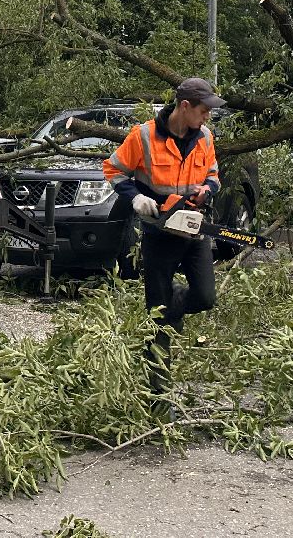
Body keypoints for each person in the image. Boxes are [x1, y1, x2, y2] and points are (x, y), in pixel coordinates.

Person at [101, 77, 225, 396]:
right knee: (157, 317)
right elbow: (113, 170)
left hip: (193, 228)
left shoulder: (205, 137)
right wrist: (135, 198)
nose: (207, 116)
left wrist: (205, 191)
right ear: (185, 107)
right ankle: (158, 392)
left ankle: (176, 301)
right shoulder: (143, 136)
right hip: (159, 232)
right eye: (203, 110)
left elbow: (212, 175)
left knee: (205, 297)